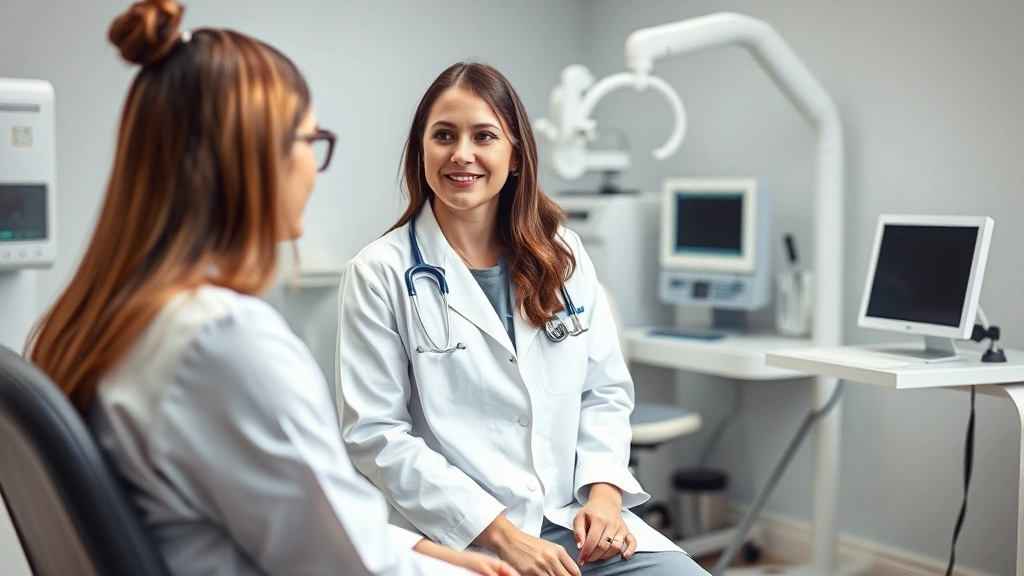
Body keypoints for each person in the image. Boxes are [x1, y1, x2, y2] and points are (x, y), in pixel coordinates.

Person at [26, 3, 517, 576]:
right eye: (310, 140)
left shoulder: (104, 323)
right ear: (255, 158)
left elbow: (312, 529)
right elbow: (345, 566)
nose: (313, 166)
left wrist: (431, 552)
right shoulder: (225, 340)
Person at [336, 62, 710, 576]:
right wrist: (505, 537)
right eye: (443, 135)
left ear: (514, 155)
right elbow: (377, 434)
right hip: (459, 533)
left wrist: (604, 498)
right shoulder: (379, 272)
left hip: (575, 521)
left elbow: (603, 391)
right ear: (420, 151)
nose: (461, 153)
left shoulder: (562, 254)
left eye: (483, 136)